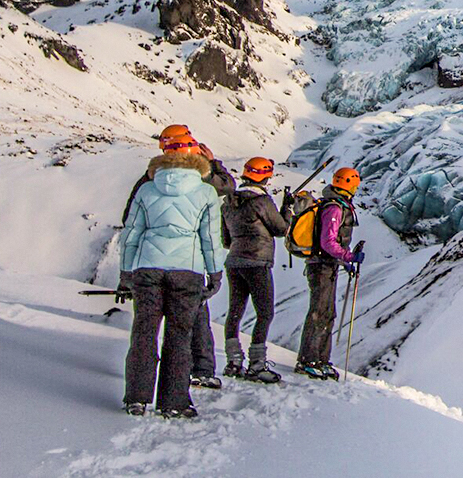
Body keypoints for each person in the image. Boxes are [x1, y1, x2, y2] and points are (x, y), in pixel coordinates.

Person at [119, 124, 236, 390]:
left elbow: (130, 227)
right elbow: (213, 226)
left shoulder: (148, 183)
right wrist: (214, 273)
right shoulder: (204, 185)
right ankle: (187, 384)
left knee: (144, 333)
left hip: (148, 268)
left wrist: (126, 271)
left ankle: (137, 395)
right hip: (188, 269)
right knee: (182, 334)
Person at [221, 156, 290, 383]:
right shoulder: (262, 201)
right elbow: (280, 229)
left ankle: (233, 361)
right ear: (265, 176)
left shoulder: (229, 203)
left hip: (234, 261)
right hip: (257, 262)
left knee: (235, 311)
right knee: (265, 312)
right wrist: (287, 210)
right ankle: (257, 364)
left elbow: (225, 240)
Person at [295, 166, 365, 380]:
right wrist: (348, 257)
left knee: (326, 312)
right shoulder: (335, 208)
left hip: (326, 265)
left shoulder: (335, 204)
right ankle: (309, 360)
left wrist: (343, 261)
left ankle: (320, 359)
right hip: (322, 266)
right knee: (320, 312)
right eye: (354, 183)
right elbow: (328, 242)